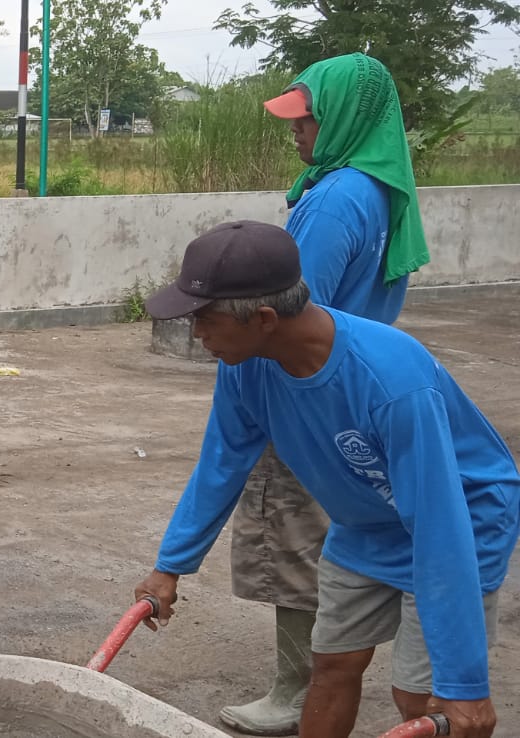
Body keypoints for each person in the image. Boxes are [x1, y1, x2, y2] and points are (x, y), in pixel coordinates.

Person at [133, 221, 516, 738]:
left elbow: (439, 524)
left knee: (425, 697)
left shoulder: (391, 383)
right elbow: (221, 464)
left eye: (206, 319)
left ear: (264, 318)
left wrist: (464, 683)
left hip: (460, 522)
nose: (197, 334)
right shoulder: (246, 366)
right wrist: (170, 567)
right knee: (332, 664)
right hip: (365, 524)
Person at [219, 52, 432, 736]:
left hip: (305, 390)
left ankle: (296, 690)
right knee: (327, 536)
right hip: (350, 388)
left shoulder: (336, 198)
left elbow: (283, 311)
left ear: (342, 119)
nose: (296, 130)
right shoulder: (379, 187)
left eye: (306, 118)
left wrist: (253, 398)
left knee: (292, 538)